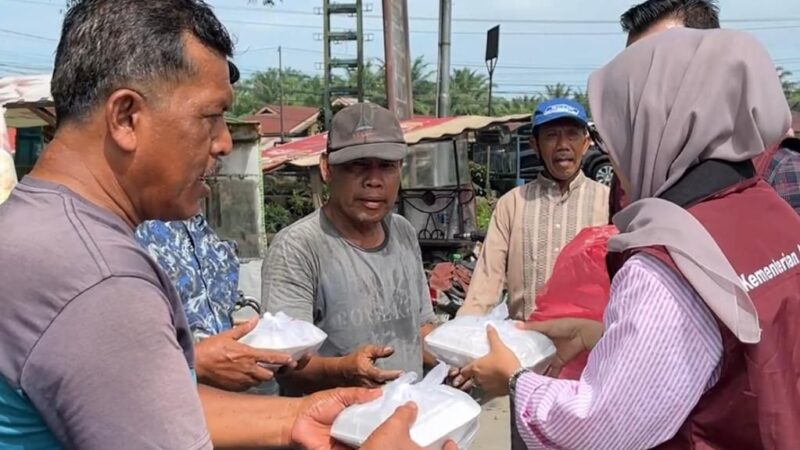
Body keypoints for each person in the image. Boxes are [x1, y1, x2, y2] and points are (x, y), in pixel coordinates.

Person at [0, 1, 435, 448]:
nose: (225, 142)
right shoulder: (100, 281)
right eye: (211, 117)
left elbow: (151, 402)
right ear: (126, 117)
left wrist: (296, 417)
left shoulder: (39, 226)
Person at [463, 28, 800, 449]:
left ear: (657, 130)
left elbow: (597, 429)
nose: (616, 151)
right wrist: (599, 335)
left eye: (619, 131)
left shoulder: (671, 260)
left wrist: (514, 380)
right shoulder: (770, 211)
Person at [262, 103, 440, 393]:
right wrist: (344, 370)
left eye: (386, 166)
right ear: (326, 169)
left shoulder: (404, 232)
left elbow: (420, 330)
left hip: (408, 417)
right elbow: (285, 365)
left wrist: (459, 357)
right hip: (333, 429)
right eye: (357, 165)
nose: (373, 180)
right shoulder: (299, 247)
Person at [457, 98, 609, 320]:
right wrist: (462, 332)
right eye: (551, 136)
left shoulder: (607, 203)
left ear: (586, 143)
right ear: (535, 145)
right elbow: (487, 280)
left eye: (572, 135)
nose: (563, 145)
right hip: (525, 343)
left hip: (590, 348)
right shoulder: (512, 203)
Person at [137, 214, 290, 392]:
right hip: (171, 399)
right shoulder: (126, 234)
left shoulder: (199, 226)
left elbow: (212, 312)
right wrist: (196, 363)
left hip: (228, 395)